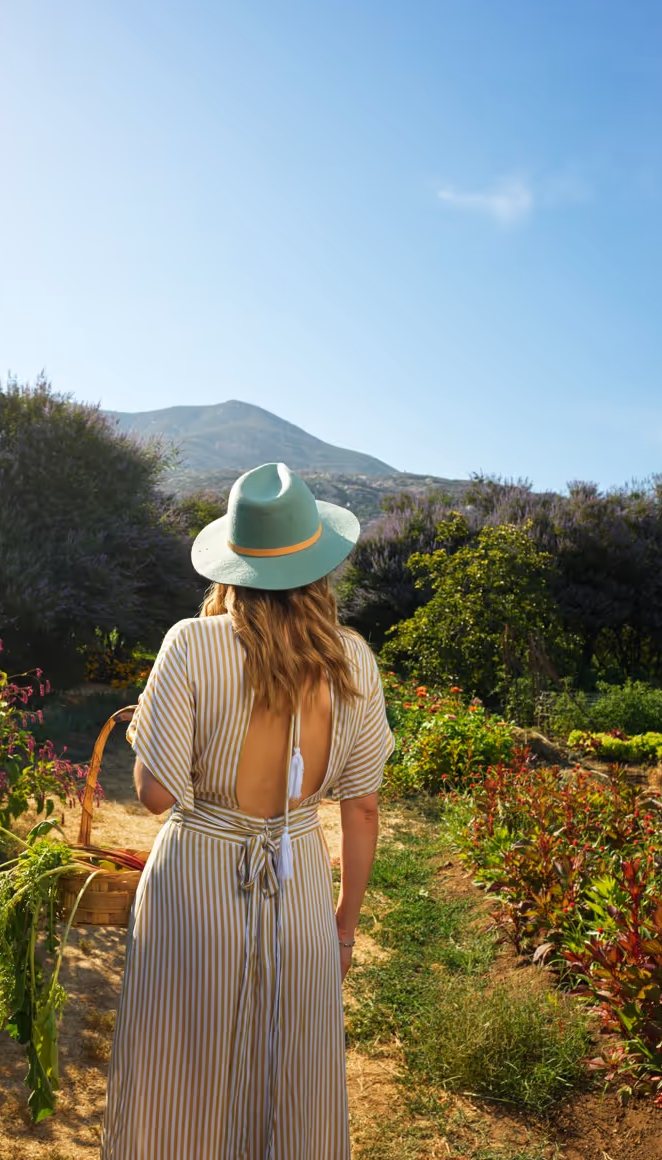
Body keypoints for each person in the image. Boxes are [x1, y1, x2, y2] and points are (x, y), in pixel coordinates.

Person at [100, 462, 394, 1160]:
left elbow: (156, 794)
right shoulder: (354, 660)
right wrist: (343, 929)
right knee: (290, 1073)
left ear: (233, 565)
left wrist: (153, 723)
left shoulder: (191, 643)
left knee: (179, 1066)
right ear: (317, 565)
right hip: (298, 884)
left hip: (195, 883)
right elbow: (362, 808)